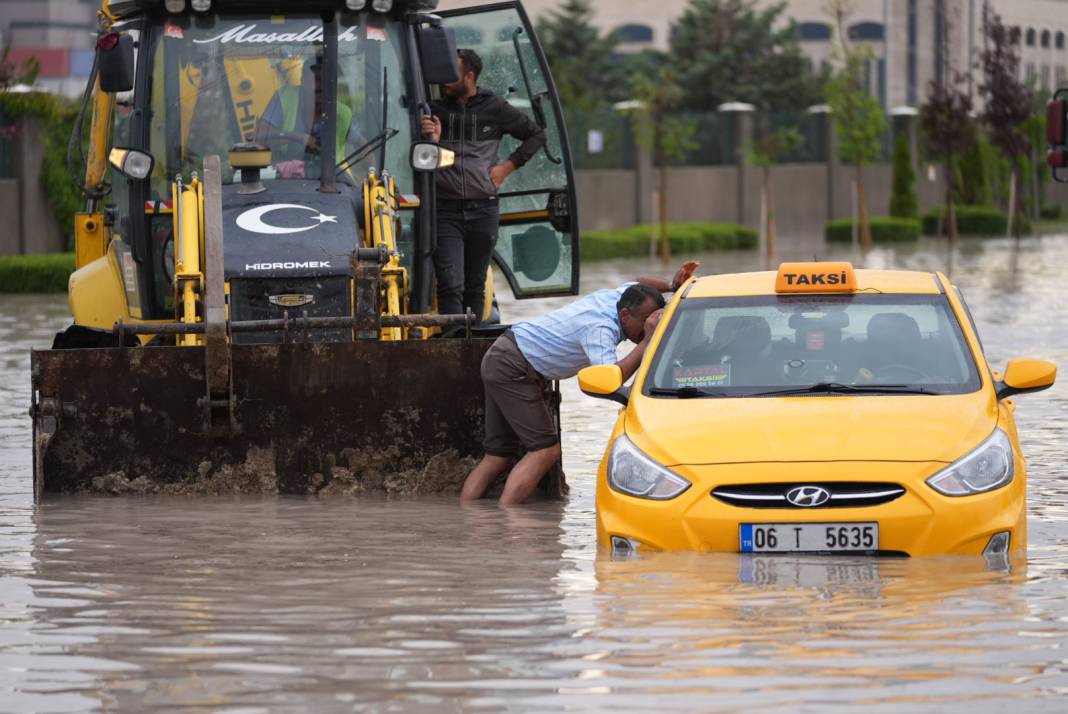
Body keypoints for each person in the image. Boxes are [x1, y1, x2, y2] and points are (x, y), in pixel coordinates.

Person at [462, 260, 701, 506]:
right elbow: (610, 378)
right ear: (625, 315)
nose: (648, 327)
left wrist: (672, 286)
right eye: (645, 322)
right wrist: (647, 342)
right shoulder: (599, 329)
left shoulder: (622, 297)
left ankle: (469, 518)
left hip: (504, 355)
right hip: (512, 367)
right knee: (545, 450)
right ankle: (508, 518)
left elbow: (640, 282)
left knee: (498, 455)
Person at [421, 49, 546, 320]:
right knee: (451, 284)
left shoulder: (495, 108)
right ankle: (452, 346)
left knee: (475, 286)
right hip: (446, 211)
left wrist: (506, 168)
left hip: (484, 210)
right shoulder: (434, 112)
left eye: (450, 73)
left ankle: (472, 347)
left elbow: (536, 135)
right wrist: (434, 142)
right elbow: (419, 159)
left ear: (469, 76)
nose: (444, 79)